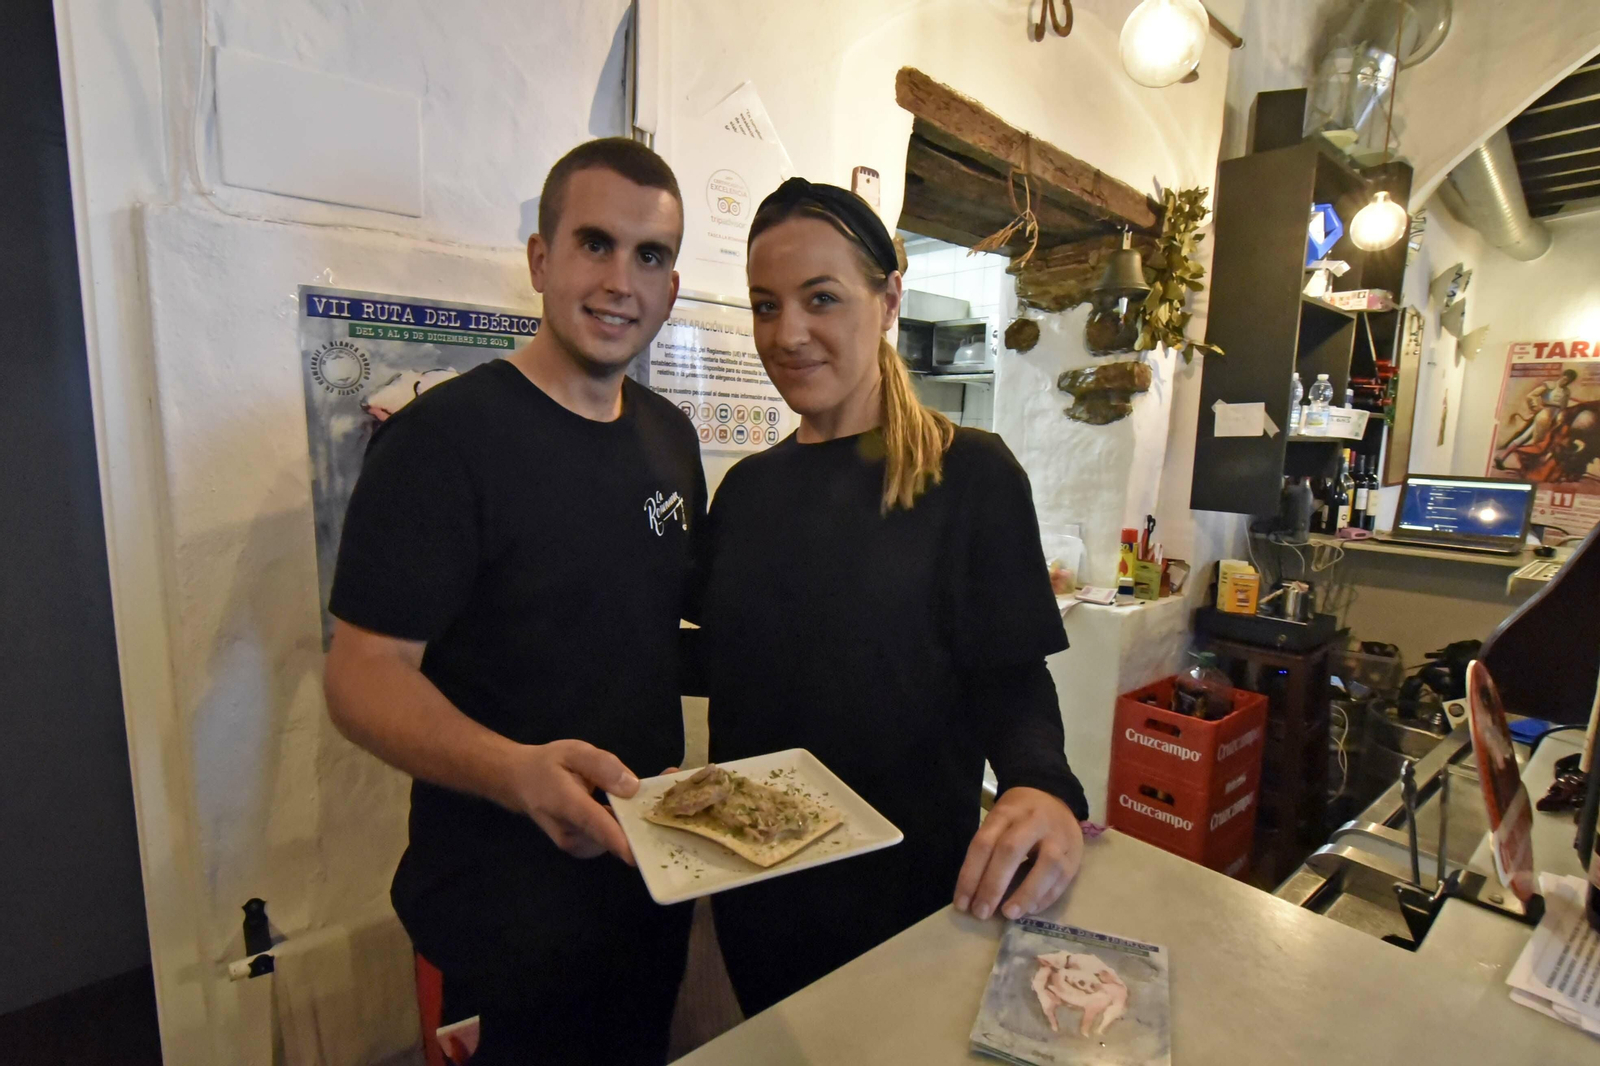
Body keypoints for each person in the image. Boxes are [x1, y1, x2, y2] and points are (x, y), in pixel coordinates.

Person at [323, 137, 702, 1066]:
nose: (621, 280)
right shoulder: (439, 444)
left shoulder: (670, 437)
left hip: (647, 876)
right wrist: (516, 773)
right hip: (504, 908)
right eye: (595, 244)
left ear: (672, 286)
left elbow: (643, 630)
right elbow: (362, 676)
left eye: (649, 255)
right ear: (541, 259)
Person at [692, 178, 1089, 1015]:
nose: (787, 334)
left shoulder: (969, 475)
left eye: (821, 299)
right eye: (766, 306)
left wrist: (1041, 785)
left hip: (904, 897)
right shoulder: (746, 493)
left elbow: (1010, 679)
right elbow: (736, 661)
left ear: (888, 299)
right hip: (753, 888)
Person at [1496, 368, 1577, 469]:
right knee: (1534, 440)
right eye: (1565, 379)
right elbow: (1531, 396)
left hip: (1557, 417)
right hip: (1545, 415)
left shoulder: (1566, 391)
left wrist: (1561, 417)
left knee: (1541, 439)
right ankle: (1511, 459)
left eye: (1568, 381)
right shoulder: (1549, 385)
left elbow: (1563, 407)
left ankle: (1503, 457)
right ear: (1562, 376)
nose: (1565, 382)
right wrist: (1536, 407)